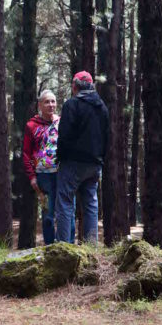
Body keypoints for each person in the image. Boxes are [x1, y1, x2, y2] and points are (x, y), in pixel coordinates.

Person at [55, 71, 109, 244]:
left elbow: (64, 135)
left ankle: (64, 247)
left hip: (73, 162)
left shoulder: (72, 105)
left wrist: (60, 157)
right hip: (94, 163)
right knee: (90, 203)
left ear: (75, 86)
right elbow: (106, 136)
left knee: (64, 202)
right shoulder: (102, 107)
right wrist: (101, 159)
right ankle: (91, 247)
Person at [22, 90, 74, 244]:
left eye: (53, 101)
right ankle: (49, 248)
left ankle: (68, 247)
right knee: (48, 215)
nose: (51, 105)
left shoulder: (62, 122)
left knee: (67, 212)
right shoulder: (31, 125)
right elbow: (26, 153)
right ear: (40, 105)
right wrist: (32, 177)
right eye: (47, 102)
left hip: (64, 175)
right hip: (43, 177)